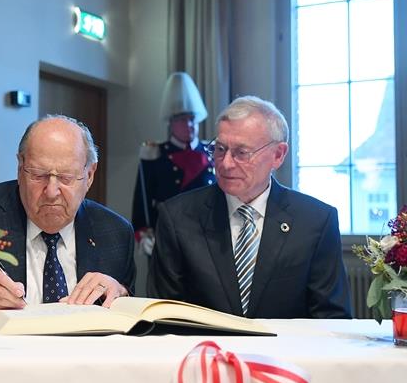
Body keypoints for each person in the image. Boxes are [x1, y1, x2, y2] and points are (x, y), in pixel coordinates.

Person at [147, 96, 352, 319]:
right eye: (220, 149)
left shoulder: (315, 221)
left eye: (241, 153)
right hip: (206, 352)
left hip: (289, 352)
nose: (225, 163)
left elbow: (332, 320)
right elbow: (163, 317)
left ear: (278, 155)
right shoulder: (178, 217)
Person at [0, 115, 135, 320]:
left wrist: (120, 293)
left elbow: (132, 317)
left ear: (89, 175)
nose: (52, 191)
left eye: (66, 178)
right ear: (20, 167)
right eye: (38, 175)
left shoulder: (116, 233)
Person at [131, 72, 216, 253]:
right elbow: (142, 200)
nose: (189, 125)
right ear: (171, 123)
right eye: (182, 120)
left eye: (192, 119)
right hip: (167, 237)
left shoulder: (212, 152)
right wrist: (144, 232)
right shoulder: (155, 153)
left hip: (207, 237)